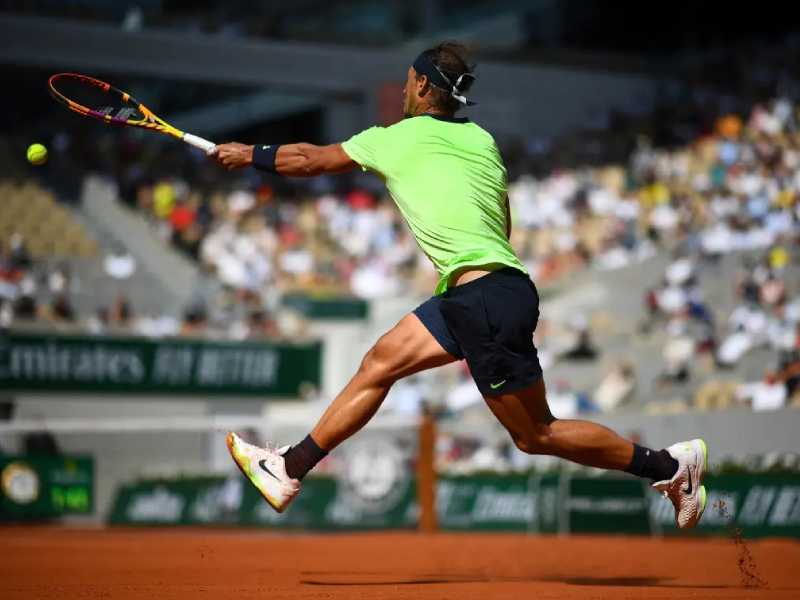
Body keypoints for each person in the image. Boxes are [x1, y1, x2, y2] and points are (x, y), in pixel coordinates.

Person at [211, 42, 708, 528]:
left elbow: (309, 159)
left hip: (482, 298)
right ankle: (289, 468)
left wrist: (249, 153)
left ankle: (667, 468)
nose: (404, 89)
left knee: (536, 435)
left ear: (424, 86)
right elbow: (502, 221)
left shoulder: (397, 137)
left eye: (408, 80)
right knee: (381, 362)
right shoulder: (481, 140)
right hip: (483, 291)